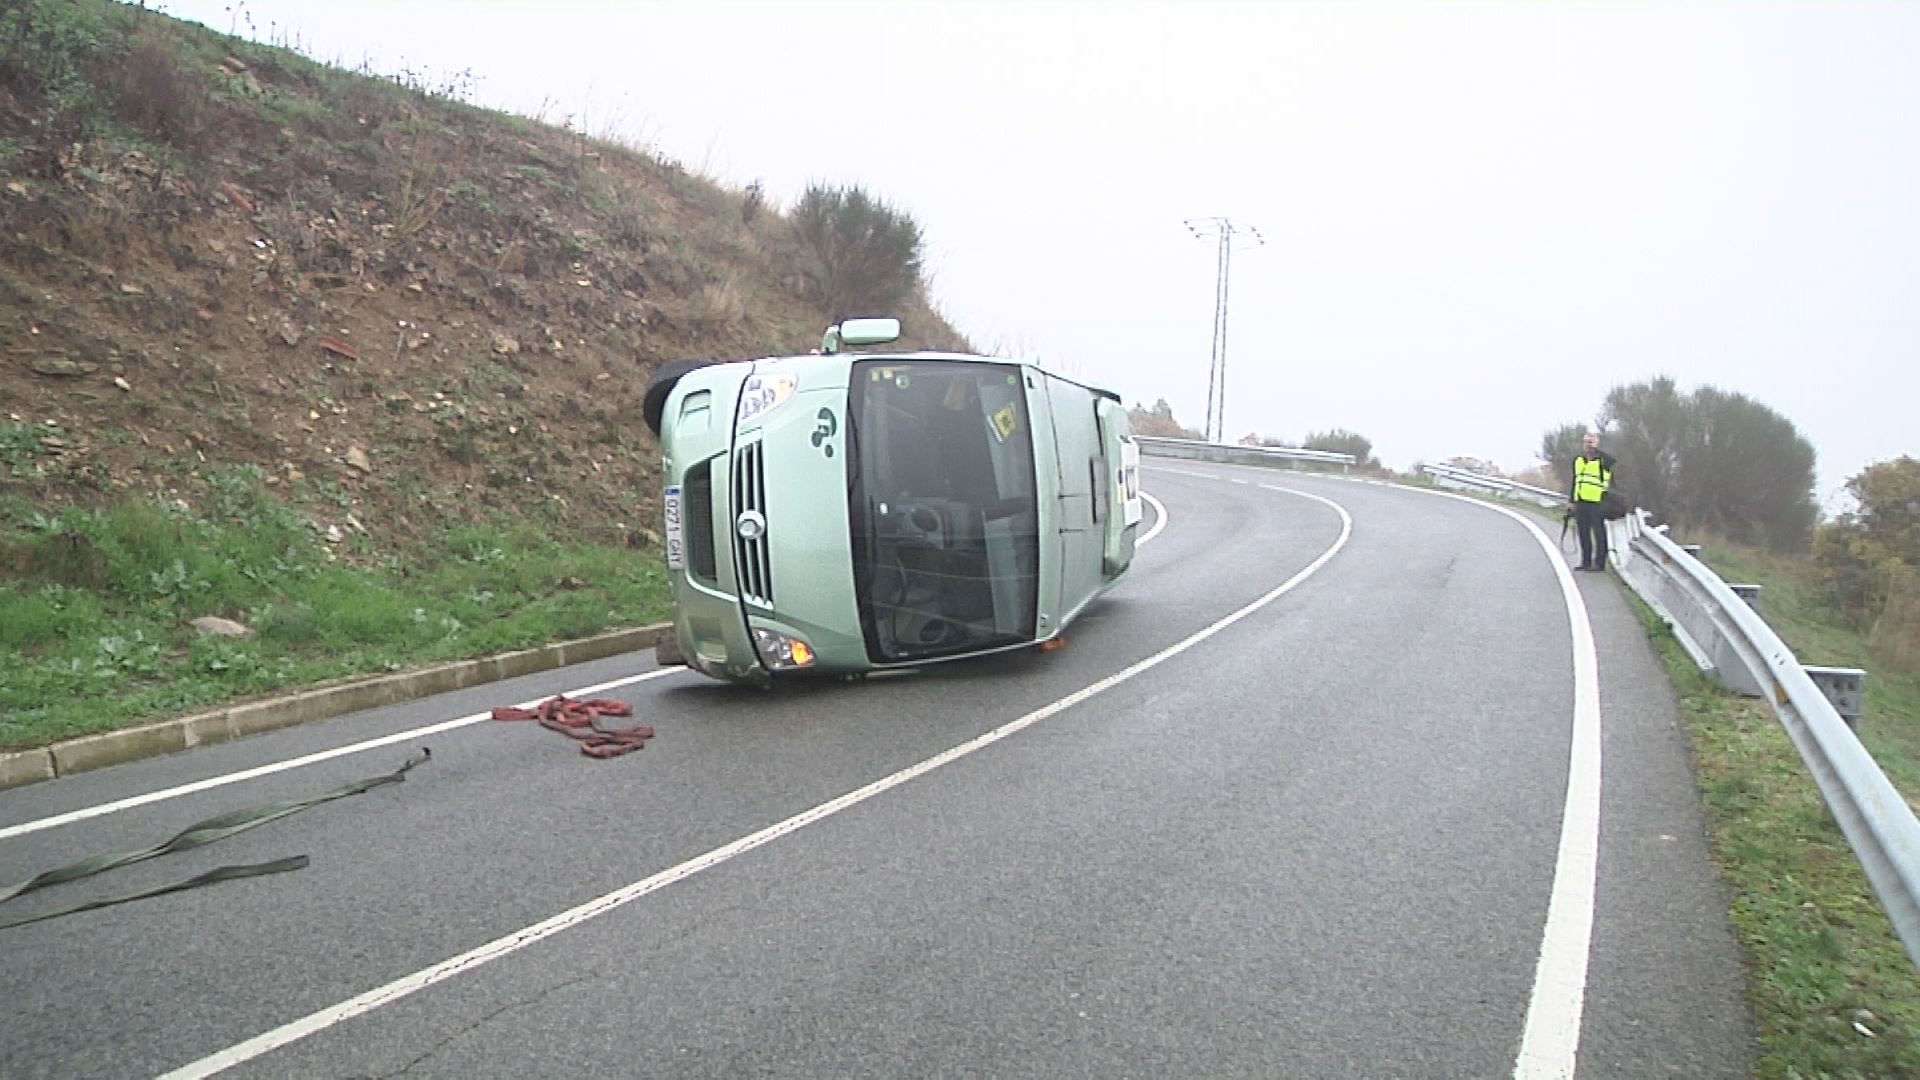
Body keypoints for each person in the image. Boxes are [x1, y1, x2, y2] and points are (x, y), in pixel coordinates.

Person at [1568, 432, 1617, 571]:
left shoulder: (1603, 460)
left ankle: (1600, 563)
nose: (1588, 445)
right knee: (1583, 533)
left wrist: (1596, 450)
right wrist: (1571, 500)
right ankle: (1586, 561)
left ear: (1596, 443)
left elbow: (1613, 460)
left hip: (1597, 502)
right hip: (1581, 501)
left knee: (1599, 533)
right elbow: (1576, 481)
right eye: (1586, 442)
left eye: (1591, 442)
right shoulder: (1579, 460)